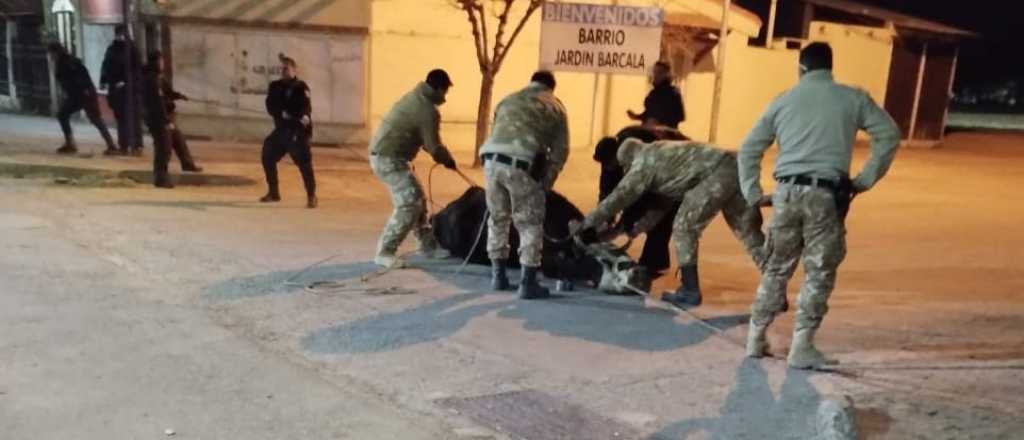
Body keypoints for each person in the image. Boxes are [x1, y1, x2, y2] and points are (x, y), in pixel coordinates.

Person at [738, 42, 901, 369]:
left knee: (777, 266)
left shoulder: (783, 101)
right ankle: (802, 346)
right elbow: (889, 134)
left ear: (801, 68)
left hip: (785, 194)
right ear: (830, 67)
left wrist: (753, 193)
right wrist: (865, 179)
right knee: (819, 269)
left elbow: (748, 149)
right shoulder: (853, 98)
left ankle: (756, 338)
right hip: (825, 196)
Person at [576, 138, 766, 308]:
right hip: (736, 166)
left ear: (627, 160)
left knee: (684, 228)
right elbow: (661, 207)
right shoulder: (663, 156)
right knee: (749, 233)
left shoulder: (643, 163)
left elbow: (618, 198)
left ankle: (690, 290)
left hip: (716, 173)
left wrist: (585, 224)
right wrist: (621, 232)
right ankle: (775, 290)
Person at [480, 71, 569, 299]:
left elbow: (497, 132)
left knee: (498, 218)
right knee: (529, 223)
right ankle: (528, 284)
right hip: (522, 164)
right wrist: (546, 182)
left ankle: (497, 277)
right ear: (551, 87)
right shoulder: (555, 106)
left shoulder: (507, 99)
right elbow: (560, 151)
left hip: (490, 161)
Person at [369, 69, 458, 268]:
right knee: (409, 202)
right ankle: (385, 252)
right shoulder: (427, 110)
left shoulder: (416, 98)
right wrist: (448, 160)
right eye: (444, 92)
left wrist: (440, 154)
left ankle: (428, 246)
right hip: (387, 159)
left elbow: (425, 141)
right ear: (436, 88)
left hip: (390, 157)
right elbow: (434, 147)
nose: (444, 97)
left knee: (417, 198)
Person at [260, 55, 317, 208]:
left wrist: (304, 116)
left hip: (297, 131)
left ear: (293, 70)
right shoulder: (275, 86)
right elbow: (270, 106)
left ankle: (311, 195)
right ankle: (273, 192)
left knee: (304, 164)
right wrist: (280, 113)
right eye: (282, 69)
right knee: (267, 154)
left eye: (286, 69)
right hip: (281, 130)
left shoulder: (301, 87)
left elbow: (306, 105)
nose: (283, 71)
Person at [141, 51, 203, 180]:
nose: (163, 63)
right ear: (155, 62)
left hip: (165, 116)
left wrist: (178, 96)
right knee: (164, 148)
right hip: (157, 119)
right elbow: (156, 104)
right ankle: (160, 178)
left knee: (178, 139)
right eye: (161, 61)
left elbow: (167, 92)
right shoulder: (151, 79)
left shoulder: (159, 77)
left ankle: (187, 164)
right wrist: (166, 121)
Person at [47, 42, 118, 156]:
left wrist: (85, 92)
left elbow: (81, 78)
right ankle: (70, 143)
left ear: (56, 52)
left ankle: (111, 145)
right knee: (62, 114)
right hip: (76, 95)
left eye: (51, 54)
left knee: (95, 119)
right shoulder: (62, 62)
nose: (50, 57)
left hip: (85, 94)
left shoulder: (69, 62)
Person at [100, 25, 144, 156]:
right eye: (118, 34)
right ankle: (124, 145)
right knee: (120, 118)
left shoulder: (132, 49)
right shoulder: (112, 49)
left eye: (123, 34)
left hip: (130, 90)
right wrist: (103, 81)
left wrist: (125, 82)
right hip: (116, 90)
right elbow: (106, 65)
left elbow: (137, 70)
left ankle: (136, 145)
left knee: (133, 118)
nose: (121, 36)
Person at [627, 61, 685, 129]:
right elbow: (649, 113)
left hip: (664, 133)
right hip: (649, 130)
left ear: (666, 74)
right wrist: (636, 117)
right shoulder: (654, 93)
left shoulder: (672, 93)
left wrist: (659, 122)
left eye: (659, 73)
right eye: (654, 72)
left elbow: (680, 116)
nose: (655, 75)